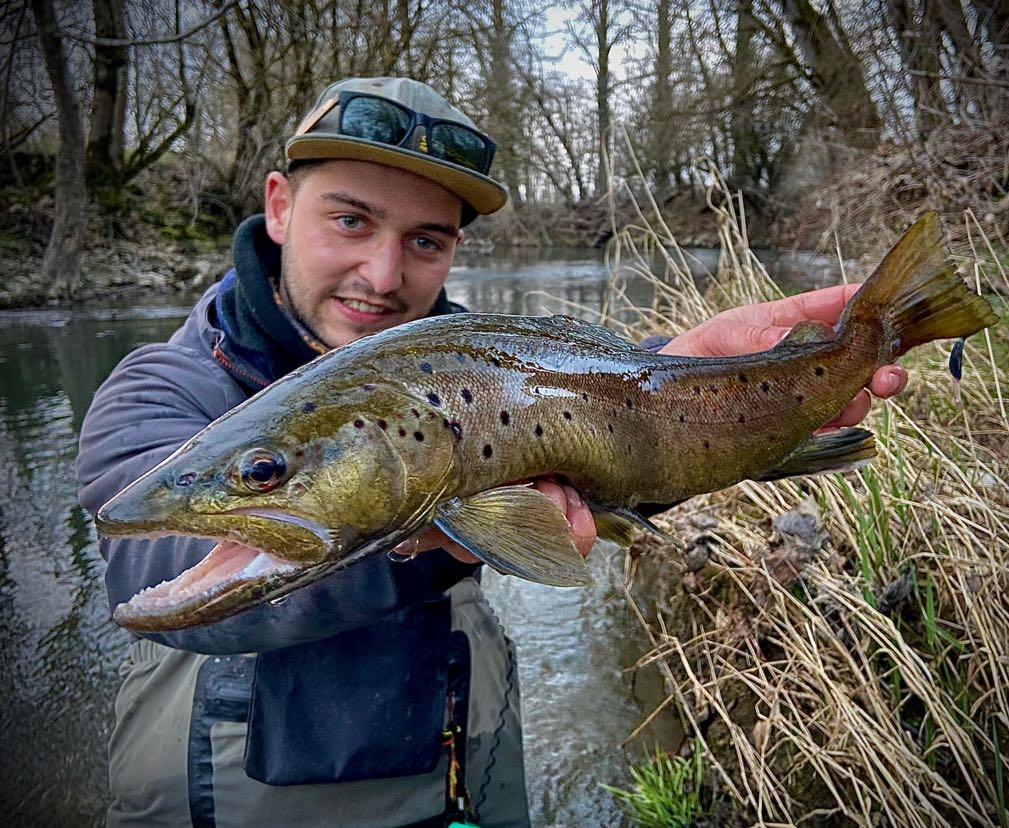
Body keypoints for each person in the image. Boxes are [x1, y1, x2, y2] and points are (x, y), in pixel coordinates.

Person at [76, 76, 907, 828]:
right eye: (351, 219)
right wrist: (433, 537)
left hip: (467, 782)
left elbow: (588, 432)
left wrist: (716, 399)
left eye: (427, 241)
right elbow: (148, 572)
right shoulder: (162, 390)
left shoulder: (476, 373)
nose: (383, 272)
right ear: (279, 205)